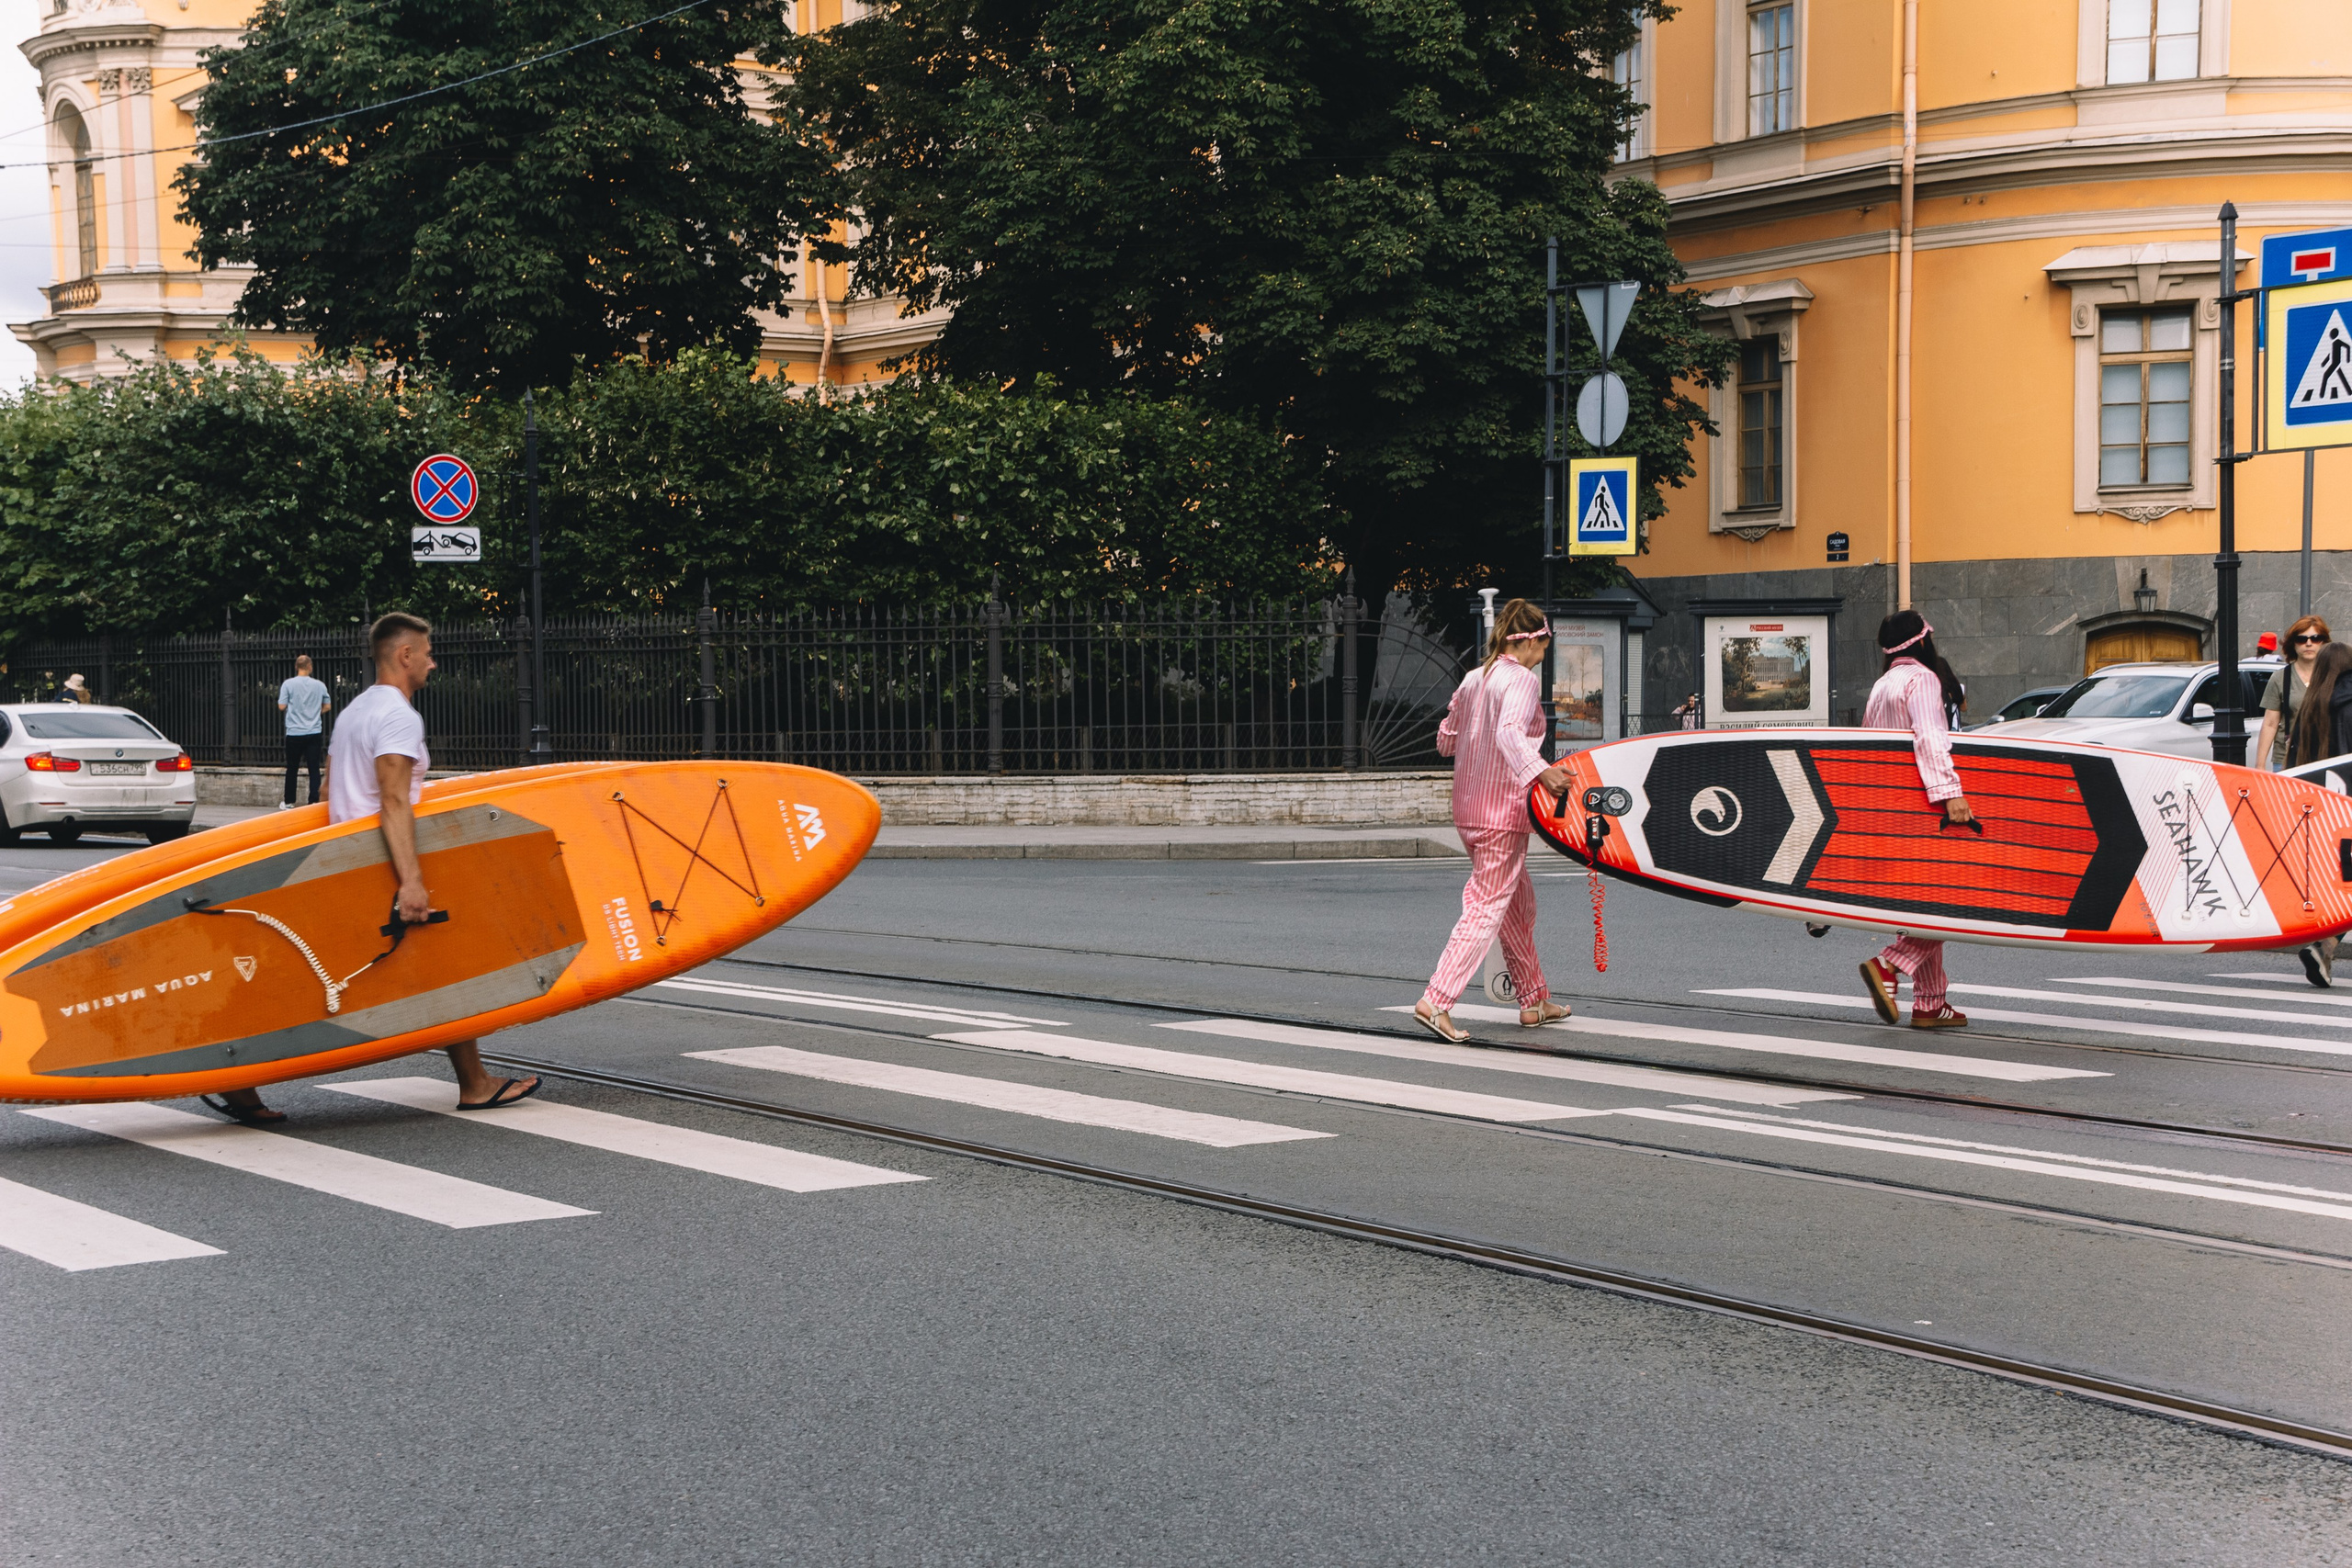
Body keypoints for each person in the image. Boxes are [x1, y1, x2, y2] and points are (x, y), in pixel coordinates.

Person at [207, 613, 539, 1124]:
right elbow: (393, 801)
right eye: (427, 652)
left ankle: (242, 1084)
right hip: (375, 863)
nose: (433, 661)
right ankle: (474, 1085)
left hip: (344, 859)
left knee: (396, 971)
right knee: (428, 968)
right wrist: (410, 881)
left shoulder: (352, 712)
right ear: (404, 655)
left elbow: (324, 793)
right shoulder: (400, 716)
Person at [1413, 598, 1574, 1043]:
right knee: (1486, 907)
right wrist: (1543, 772)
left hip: (1468, 809)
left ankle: (1534, 1000)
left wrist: (1465, 715)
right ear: (1531, 641)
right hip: (1502, 811)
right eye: (1544, 646)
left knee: (1517, 907)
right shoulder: (1520, 680)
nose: (1544, 656)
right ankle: (1437, 1000)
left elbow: (1446, 742)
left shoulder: (1473, 678)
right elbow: (1509, 734)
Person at [1857, 610, 1973, 1030]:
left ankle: (1930, 1002)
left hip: (1892, 809)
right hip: (1925, 805)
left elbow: (1869, 747)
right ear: (1921, 641)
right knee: (1954, 896)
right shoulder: (1922, 679)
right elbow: (1930, 737)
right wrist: (1950, 793)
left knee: (1925, 900)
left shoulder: (1882, 684)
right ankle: (1890, 964)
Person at [2284, 641, 2352, 989]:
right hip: (2349, 806)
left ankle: (2324, 947)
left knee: (2342, 885)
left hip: (2319, 811)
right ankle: (2324, 945)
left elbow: (2295, 759)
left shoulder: (2311, 704)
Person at [2256, 615, 2331, 773]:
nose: (2308, 643)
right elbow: (2270, 723)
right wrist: (2260, 765)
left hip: (2325, 757)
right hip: (2287, 758)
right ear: (2293, 644)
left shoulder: (2333, 676)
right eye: (2301, 639)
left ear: (2323, 642)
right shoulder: (2280, 678)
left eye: (2315, 638)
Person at [277, 654, 332, 808]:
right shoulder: (320, 685)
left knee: (292, 768)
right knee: (313, 768)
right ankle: (314, 801)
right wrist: (315, 712)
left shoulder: (288, 684)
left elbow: (281, 706)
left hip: (294, 733)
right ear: (310, 667)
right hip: (314, 732)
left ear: (296, 667)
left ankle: (289, 802)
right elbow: (327, 706)